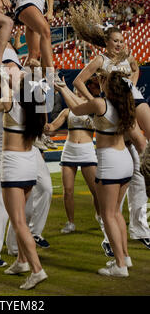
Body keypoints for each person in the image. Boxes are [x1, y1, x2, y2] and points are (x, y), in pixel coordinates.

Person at [55, 70, 139, 277]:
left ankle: (119, 265)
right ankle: (125, 257)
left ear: (110, 87)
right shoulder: (125, 105)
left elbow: (76, 107)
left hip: (109, 162)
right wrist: (66, 88)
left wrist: (63, 89)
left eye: (105, 81)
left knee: (107, 214)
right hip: (125, 161)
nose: (101, 83)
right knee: (117, 213)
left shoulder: (101, 104)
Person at [0, 71, 48, 290]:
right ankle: (22, 261)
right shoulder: (37, 110)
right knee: (21, 217)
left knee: (19, 222)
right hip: (29, 163)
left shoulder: (11, 102)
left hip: (13, 164)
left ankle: (37, 269)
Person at [69, 2, 150, 143]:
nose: (119, 44)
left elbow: (136, 69)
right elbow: (77, 81)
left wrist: (133, 84)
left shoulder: (128, 55)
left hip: (134, 97)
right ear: (107, 42)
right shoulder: (100, 60)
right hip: (115, 103)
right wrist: (93, 100)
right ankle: (140, 165)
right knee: (137, 141)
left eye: (121, 41)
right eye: (116, 41)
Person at [44, 88, 100, 235]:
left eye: (80, 91)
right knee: (68, 191)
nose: (78, 93)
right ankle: (70, 222)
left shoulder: (94, 108)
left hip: (87, 151)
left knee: (96, 190)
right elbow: (52, 128)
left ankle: (101, 217)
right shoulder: (67, 111)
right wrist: (43, 123)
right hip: (69, 152)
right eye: (76, 91)